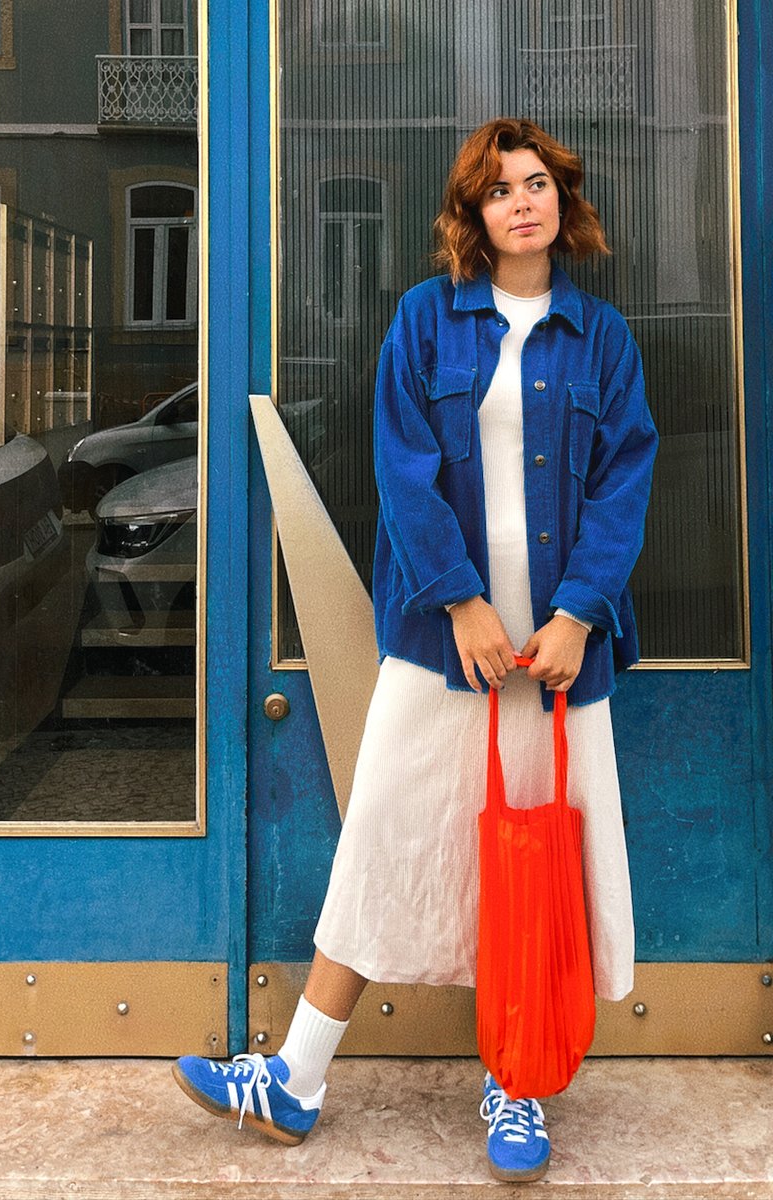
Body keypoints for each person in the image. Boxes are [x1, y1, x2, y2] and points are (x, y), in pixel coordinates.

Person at [172, 117, 658, 1184]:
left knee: (531, 865)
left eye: (537, 185)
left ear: (561, 204)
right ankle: (296, 1078)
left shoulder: (603, 340)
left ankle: (518, 1085)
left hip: (556, 660)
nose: (520, 202)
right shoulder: (426, 324)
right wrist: (461, 604)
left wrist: (576, 613)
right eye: (498, 190)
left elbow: (626, 482)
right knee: (384, 838)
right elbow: (401, 470)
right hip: (444, 645)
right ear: (473, 216)